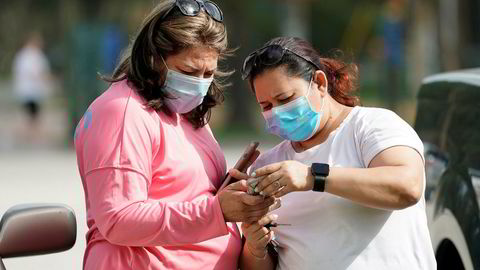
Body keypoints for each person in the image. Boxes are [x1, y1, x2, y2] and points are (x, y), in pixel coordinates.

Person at [74, 1, 278, 269]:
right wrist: (217, 211)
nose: (200, 83)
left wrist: (230, 192)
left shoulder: (184, 110)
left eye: (209, 73)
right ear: (153, 59)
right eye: (189, 72)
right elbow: (119, 218)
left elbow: (182, 191)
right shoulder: (122, 113)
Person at [237, 37, 436, 269]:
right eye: (267, 106)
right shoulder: (269, 165)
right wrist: (255, 245)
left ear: (320, 83)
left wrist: (313, 177)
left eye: (285, 99)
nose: (278, 112)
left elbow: (408, 187)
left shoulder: (371, 126)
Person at [12, 32, 52, 137]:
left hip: (34, 90)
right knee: (31, 114)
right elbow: (34, 72)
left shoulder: (36, 55)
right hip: (29, 90)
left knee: (33, 113)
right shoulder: (26, 56)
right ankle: (30, 134)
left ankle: (31, 133)